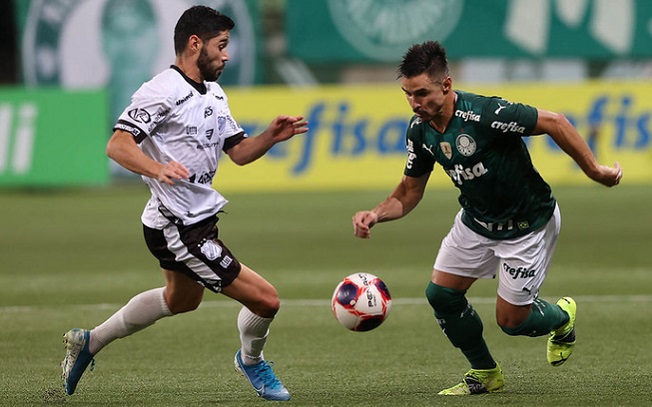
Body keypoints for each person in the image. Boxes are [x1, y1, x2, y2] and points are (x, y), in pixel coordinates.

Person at [61, 6, 307, 401]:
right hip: (179, 228)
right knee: (266, 300)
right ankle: (251, 361)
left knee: (182, 300)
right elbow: (118, 145)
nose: (227, 55)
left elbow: (240, 152)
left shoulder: (213, 91)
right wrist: (157, 169)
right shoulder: (160, 90)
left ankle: (90, 342)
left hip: (190, 220)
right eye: (221, 45)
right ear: (196, 44)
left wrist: (270, 137)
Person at [352, 41, 622, 396]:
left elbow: (555, 122)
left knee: (512, 322)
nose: (415, 103)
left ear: (446, 85)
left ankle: (563, 317)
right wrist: (375, 213)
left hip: (526, 226)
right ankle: (485, 373)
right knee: (442, 296)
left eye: (421, 93)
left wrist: (595, 171)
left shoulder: (488, 113)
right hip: (475, 223)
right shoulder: (420, 131)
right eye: (407, 94)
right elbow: (408, 192)